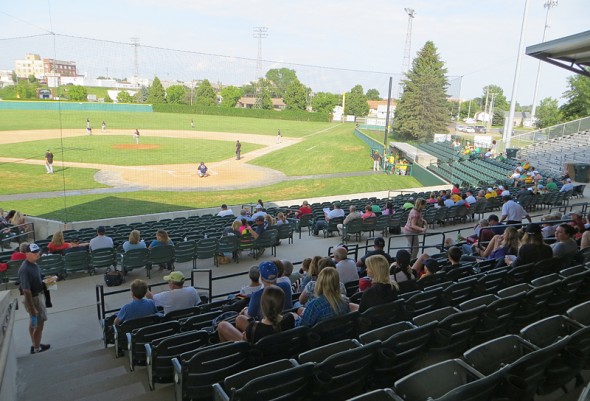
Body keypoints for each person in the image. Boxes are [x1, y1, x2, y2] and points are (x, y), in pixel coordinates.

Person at [218, 285, 297, 343]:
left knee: (222, 325)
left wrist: (245, 336)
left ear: (262, 305)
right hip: (276, 348)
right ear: (282, 305)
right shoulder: (290, 318)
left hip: (257, 355)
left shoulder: (254, 328)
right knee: (240, 318)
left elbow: (246, 343)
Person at [237, 261, 293, 329]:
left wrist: (246, 309)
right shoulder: (286, 286)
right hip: (283, 322)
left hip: (264, 327)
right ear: (277, 274)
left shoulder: (257, 295)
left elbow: (250, 316)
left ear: (261, 278)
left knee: (239, 318)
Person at [18, 243, 51, 354]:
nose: (37, 254)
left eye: (38, 251)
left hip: (36, 296)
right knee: (40, 323)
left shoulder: (33, 263)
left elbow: (37, 278)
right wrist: (32, 308)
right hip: (33, 299)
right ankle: (37, 348)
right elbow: (26, 290)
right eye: (34, 252)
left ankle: (34, 343)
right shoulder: (25, 269)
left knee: (33, 321)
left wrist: (47, 279)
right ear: (27, 254)